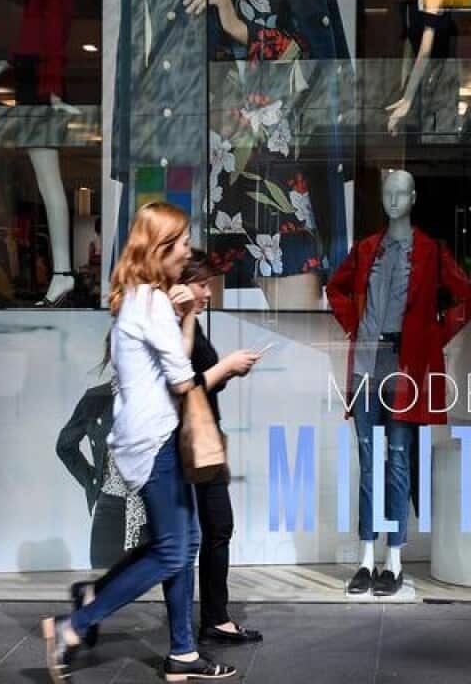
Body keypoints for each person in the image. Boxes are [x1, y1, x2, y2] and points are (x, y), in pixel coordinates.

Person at [40, 202, 250, 683]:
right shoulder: (151, 302)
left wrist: (181, 310)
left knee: (183, 542)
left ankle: (182, 654)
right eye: (181, 243)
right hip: (154, 441)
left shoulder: (141, 297)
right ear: (160, 248)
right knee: (174, 551)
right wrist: (188, 323)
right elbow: (183, 379)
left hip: (149, 438)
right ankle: (76, 623)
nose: (188, 251)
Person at [179, 250, 264, 645]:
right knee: (200, 532)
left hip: (204, 436)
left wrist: (228, 370)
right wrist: (225, 368)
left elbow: (199, 380)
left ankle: (215, 616)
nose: (209, 292)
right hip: (191, 439)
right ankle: (212, 619)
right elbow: (184, 388)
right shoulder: (178, 326)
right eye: (202, 284)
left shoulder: (191, 322)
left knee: (214, 528)